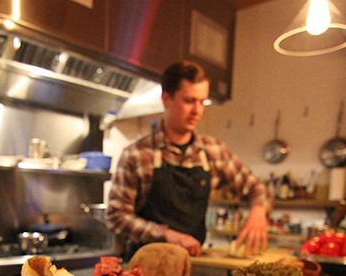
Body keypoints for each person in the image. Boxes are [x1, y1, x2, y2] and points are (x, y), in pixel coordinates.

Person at [105, 61, 271, 258]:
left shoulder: (213, 151)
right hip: (145, 266)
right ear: (166, 99)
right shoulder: (138, 154)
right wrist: (167, 235)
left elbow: (257, 188)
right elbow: (117, 217)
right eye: (189, 101)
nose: (197, 110)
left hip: (194, 265)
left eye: (202, 102)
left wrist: (258, 211)